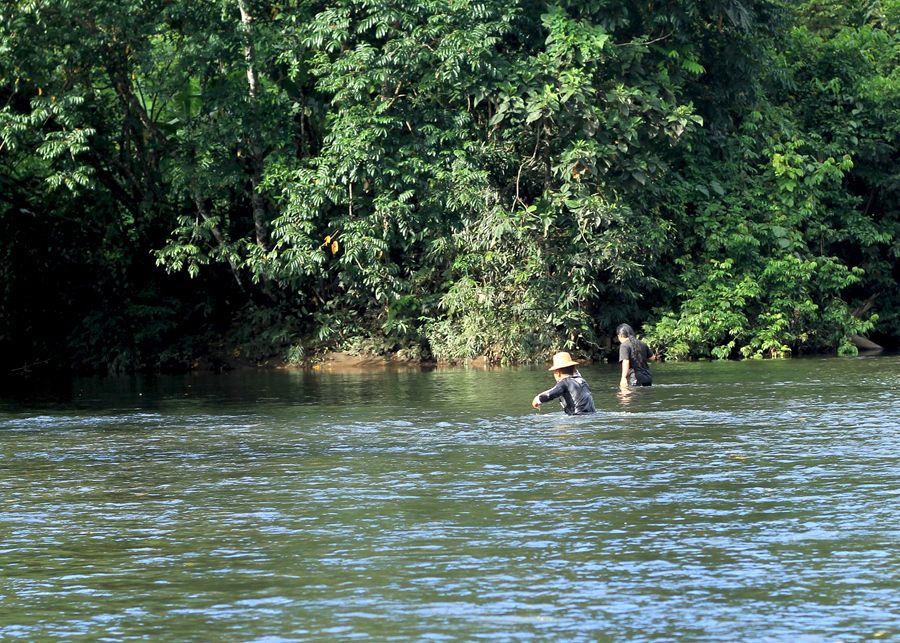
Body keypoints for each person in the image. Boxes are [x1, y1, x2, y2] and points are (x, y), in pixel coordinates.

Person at [532, 352, 597, 415]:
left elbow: (550, 394)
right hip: (592, 414)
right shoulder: (582, 380)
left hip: (577, 417)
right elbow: (576, 372)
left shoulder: (564, 383)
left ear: (558, 373)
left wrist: (537, 399)